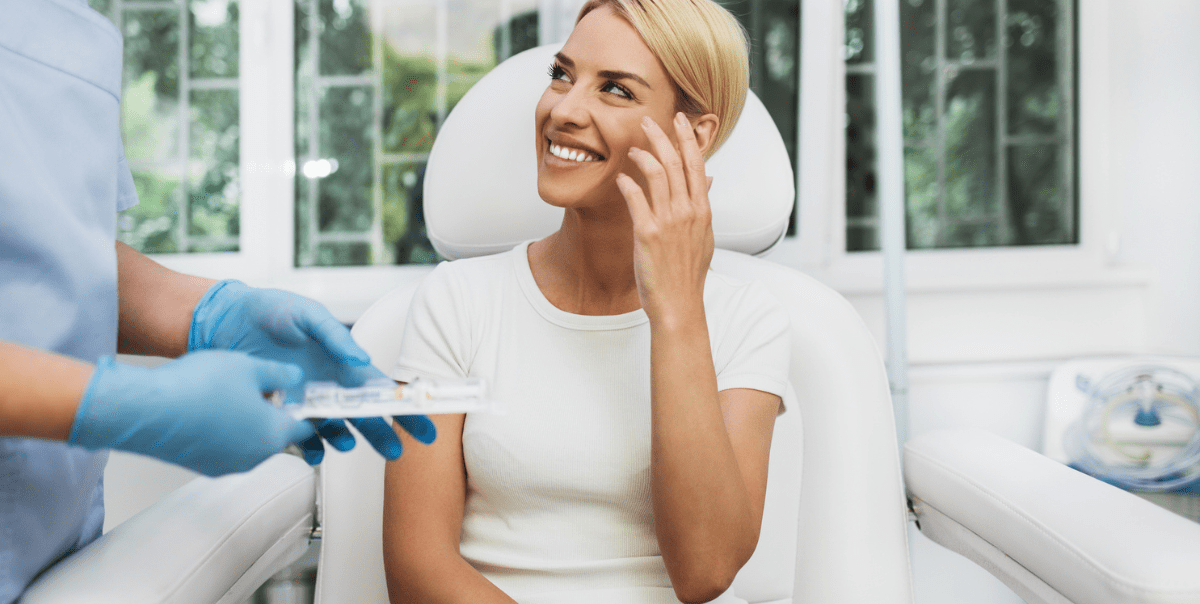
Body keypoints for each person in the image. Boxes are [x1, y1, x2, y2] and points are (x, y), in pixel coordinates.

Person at [0, 0, 434, 601]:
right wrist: (122, 405)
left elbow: (49, 259)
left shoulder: (74, 34)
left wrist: (206, 315)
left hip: (50, 552)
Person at [381, 0, 791, 602]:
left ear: (693, 135)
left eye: (617, 90)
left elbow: (704, 570)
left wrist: (675, 311)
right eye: (562, 75)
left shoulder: (747, 320)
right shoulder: (456, 301)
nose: (563, 110)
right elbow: (416, 568)